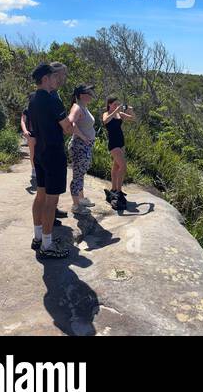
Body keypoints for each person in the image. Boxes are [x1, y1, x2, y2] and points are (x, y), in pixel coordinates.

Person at [28, 62, 74, 258]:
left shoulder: (32, 100)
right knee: (51, 201)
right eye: (54, 77)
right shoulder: (53, 101)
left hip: (39, 153)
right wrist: (72, 114)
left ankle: (38, 237)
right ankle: (47, 245)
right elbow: (68, 128)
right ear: (45, 79)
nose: (57, 80)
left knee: (40, 195)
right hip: (54, 154)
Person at [67, 85, 98, 213]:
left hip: (85, 146)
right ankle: (76, 206)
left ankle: (81, 198)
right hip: (80, 146)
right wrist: (83, 137)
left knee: (81, 174)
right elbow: (70, 122)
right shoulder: (77, 107)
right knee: (77, 176)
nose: (91, 95)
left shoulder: (84, 107)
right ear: (81, 95)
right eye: (88, 93)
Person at [102, 96, 135, 211]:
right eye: (114, 104)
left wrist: (130, 109)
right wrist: (115, 111)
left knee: (116, 166)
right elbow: (105, 121)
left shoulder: (119, 114)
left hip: (121, 143)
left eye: (118, 104)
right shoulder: (106, 114)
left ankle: (114, 188)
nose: (116, 106)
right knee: (123, 166)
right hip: (113, 144)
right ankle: (119, 191)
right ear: (109, 104)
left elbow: (132, 118)